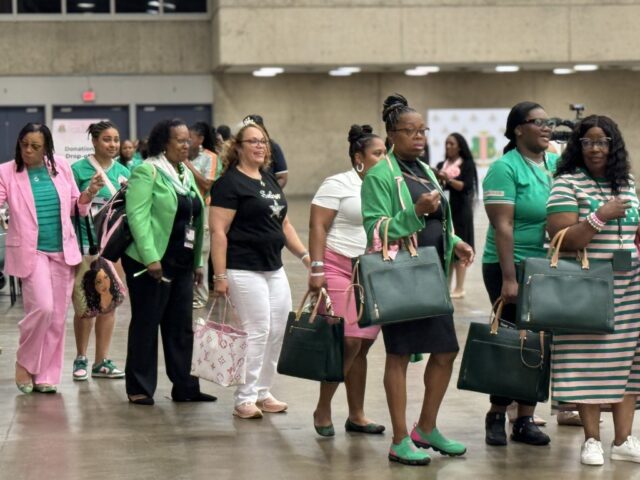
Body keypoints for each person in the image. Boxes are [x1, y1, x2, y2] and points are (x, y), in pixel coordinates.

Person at [361, 94, 474, 465]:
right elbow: (377, 231)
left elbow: (439, 222)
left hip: (432, 276)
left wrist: (455, 242)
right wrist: (415, 211)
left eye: (422, 131)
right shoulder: (379, 175)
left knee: (445, 351)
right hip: (401, 278)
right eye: (410, 131)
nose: (419, 137)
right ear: (392, 135)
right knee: (398, 355)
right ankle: (398, 439)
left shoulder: (424, 170)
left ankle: (426, 427)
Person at [546, 115, 640, 466]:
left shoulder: (626, 182)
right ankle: (590, 441)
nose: (596, 148)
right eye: (588, 142)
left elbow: (633, 232)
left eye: (603, 142)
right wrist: (600, 216)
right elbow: (561, 239)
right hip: (586, 288)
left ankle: (623, 439)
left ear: (613, 145)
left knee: (629, 364)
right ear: (578, 146)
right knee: (587, 363)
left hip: (630, 286)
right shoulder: (566, 184)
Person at [210, 120, 309, 419]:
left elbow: (285, 224)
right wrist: (220, 276)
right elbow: (218, 232)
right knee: (258, 330)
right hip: (243, 268)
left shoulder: (268, 180)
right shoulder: (229, 184)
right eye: (252, 141)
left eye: (263, 141)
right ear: (237, 147)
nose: (259, 146)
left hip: (273, 268)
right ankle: (245, 398)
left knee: (279, 329)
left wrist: (306, 257)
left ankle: (263, 392)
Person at [0, 123, 103, 394]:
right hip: (31, 252)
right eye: (24, 145)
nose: (28, 151)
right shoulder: (6, 172)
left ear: (46, 147)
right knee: (42, 308)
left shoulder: (60, 167)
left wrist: (89, 192)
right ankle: (25, 362)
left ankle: (45, 374)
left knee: (56, 318)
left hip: (63, 251)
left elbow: (76, 207)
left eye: (35, 146)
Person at [122, 118, 215, 406]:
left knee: (181, 327)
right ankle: (139, 387)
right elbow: (137, 216)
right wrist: (151, 258)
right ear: (165, 142)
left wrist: (198, 262)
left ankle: (186, 386)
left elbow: (195, 218)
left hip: (182, 262)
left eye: (189, 140)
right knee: (147, 324)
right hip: (149, 263)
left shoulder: (184, 174)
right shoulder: (147, 171)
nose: (187, 145)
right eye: (181, 140)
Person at [482, 101, 558, 446]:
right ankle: (497, 414)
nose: (546, 128)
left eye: (549, 123)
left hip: (546, 266)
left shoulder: (556, 164)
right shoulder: (505, 168)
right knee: (512, 339)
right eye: (537, 122)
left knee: (539, 342)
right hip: (508, 264)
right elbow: (503, 225)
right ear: (518, 129)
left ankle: (525, 419)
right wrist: (509, 277)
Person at [309, 124, 387, 437]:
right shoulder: (338, 183)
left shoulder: (384, 187)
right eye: (377, 153)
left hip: (369, 269)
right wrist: (316, 269)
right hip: (336, 265)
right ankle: (323, 405)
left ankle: (357, 415)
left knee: (363, 344)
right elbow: (317, 226)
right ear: (359, 157)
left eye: (385, 153)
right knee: (349, 339)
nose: (384, 158)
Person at [71, 121, 130, 382]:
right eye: (107, 139)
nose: (113, 144)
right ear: (94, 141)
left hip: (114, 247)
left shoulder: (124, 171)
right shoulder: (77, 170)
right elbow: (70, 208)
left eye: (116, 139)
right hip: (86, 245)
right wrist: (88, 192)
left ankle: (101, 361)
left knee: (109, 302)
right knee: (86, 303)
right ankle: (81, 357)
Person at [436, 133, 478, 298]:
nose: (448, 146)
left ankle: (459, 288)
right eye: (446, 143)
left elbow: (465, 186)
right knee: (447, 249)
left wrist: (447, 179)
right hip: (444, 211)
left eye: (452, 144)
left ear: (460, 146)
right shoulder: (441, 164)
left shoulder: (467, 164)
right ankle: (446, 285)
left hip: (460, 212)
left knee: (460, 247)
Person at [185, 121, 221, 309]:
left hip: (204, 210)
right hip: (186, 210)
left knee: (202, 251)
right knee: (188, 248)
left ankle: (201, 296)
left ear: (200, 139)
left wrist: (187, 165)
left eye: (190, 138)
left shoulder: (211, 158)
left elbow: (207, 184)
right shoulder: (182, 156)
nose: (186, 142)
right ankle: (188, 293)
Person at [242, 115, 288, 189]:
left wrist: (270, 193)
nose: (259, 146)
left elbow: (282, 177)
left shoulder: (273, 147)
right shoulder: (239, 148)